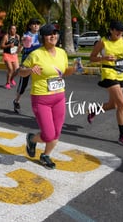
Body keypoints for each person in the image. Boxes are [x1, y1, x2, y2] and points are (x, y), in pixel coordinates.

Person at [20, 23, 77, 169]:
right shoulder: (36, 54)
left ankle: (45, 155)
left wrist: (74, 69)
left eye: (55, 33)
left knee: (56, 133)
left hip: (59, 97)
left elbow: (64, 72)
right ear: (43, 37)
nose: (53, 36)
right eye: (49, 34)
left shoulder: (62, 52)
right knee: (49, 135)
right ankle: (32, 139)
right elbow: (21, 71)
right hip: (41, 99)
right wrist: (30, 70)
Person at [88, 20, 123, 147]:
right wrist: (103, 58)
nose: (120, 32)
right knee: (122, 103)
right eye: (117, 30)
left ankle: (94, 110)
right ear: (111, 30)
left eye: (122, 30)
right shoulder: (103, 42)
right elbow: (92, 57)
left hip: (121, 73)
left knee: (113, 105)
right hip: (108, 73)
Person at [13, 18, 41, 113]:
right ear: (30, 26)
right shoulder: (26, 35)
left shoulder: (41, 36)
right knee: (23, 84)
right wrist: (21, 44)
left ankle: (41, 104)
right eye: (34, 24)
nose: (36, 25)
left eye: (37, 24)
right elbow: (20, 49)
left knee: (40, 82)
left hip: (38, 62)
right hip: (27, 62)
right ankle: (16, 101)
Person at [0, 25, 21, 89]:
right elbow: (1, 46)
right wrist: (8, 45)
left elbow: (18, 45)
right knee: (10, 69)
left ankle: (11, 79)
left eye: (15, 29)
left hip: (14, 55)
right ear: (9, 30)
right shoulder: (6, 37)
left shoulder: (17, 36)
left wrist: (19, 49)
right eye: (12, 29)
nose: (14, 30)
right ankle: (7, 83)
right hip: (7, 54)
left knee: (17, 70)